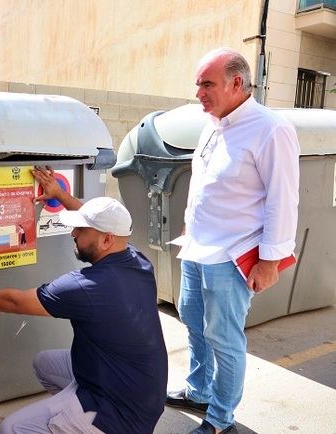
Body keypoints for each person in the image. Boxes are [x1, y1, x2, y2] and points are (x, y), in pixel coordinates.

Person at [0, 167, 168, 434]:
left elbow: (16, 302)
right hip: (139, 389)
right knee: (45, 363)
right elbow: (99, 223)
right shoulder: (136, 260)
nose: (73, 234)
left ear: (106, 240)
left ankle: (81, 424)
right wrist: (59, 194)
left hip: (116, 413)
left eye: (81, 230)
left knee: (11, 428)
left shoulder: (87, 288)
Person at [166, 48, 300, 434]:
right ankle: (199, 390)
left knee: (224, 339)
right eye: (198, 85)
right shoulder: (213, 123)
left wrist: (271, 261)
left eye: (207, 84)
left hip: (232, 255)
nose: (199, 93)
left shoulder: (271, 129)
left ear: (236, 83)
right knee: (193, 323)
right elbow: (205, 186)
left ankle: (221, 418)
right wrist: (190, 227)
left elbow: (283, 199)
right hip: (196, 249)